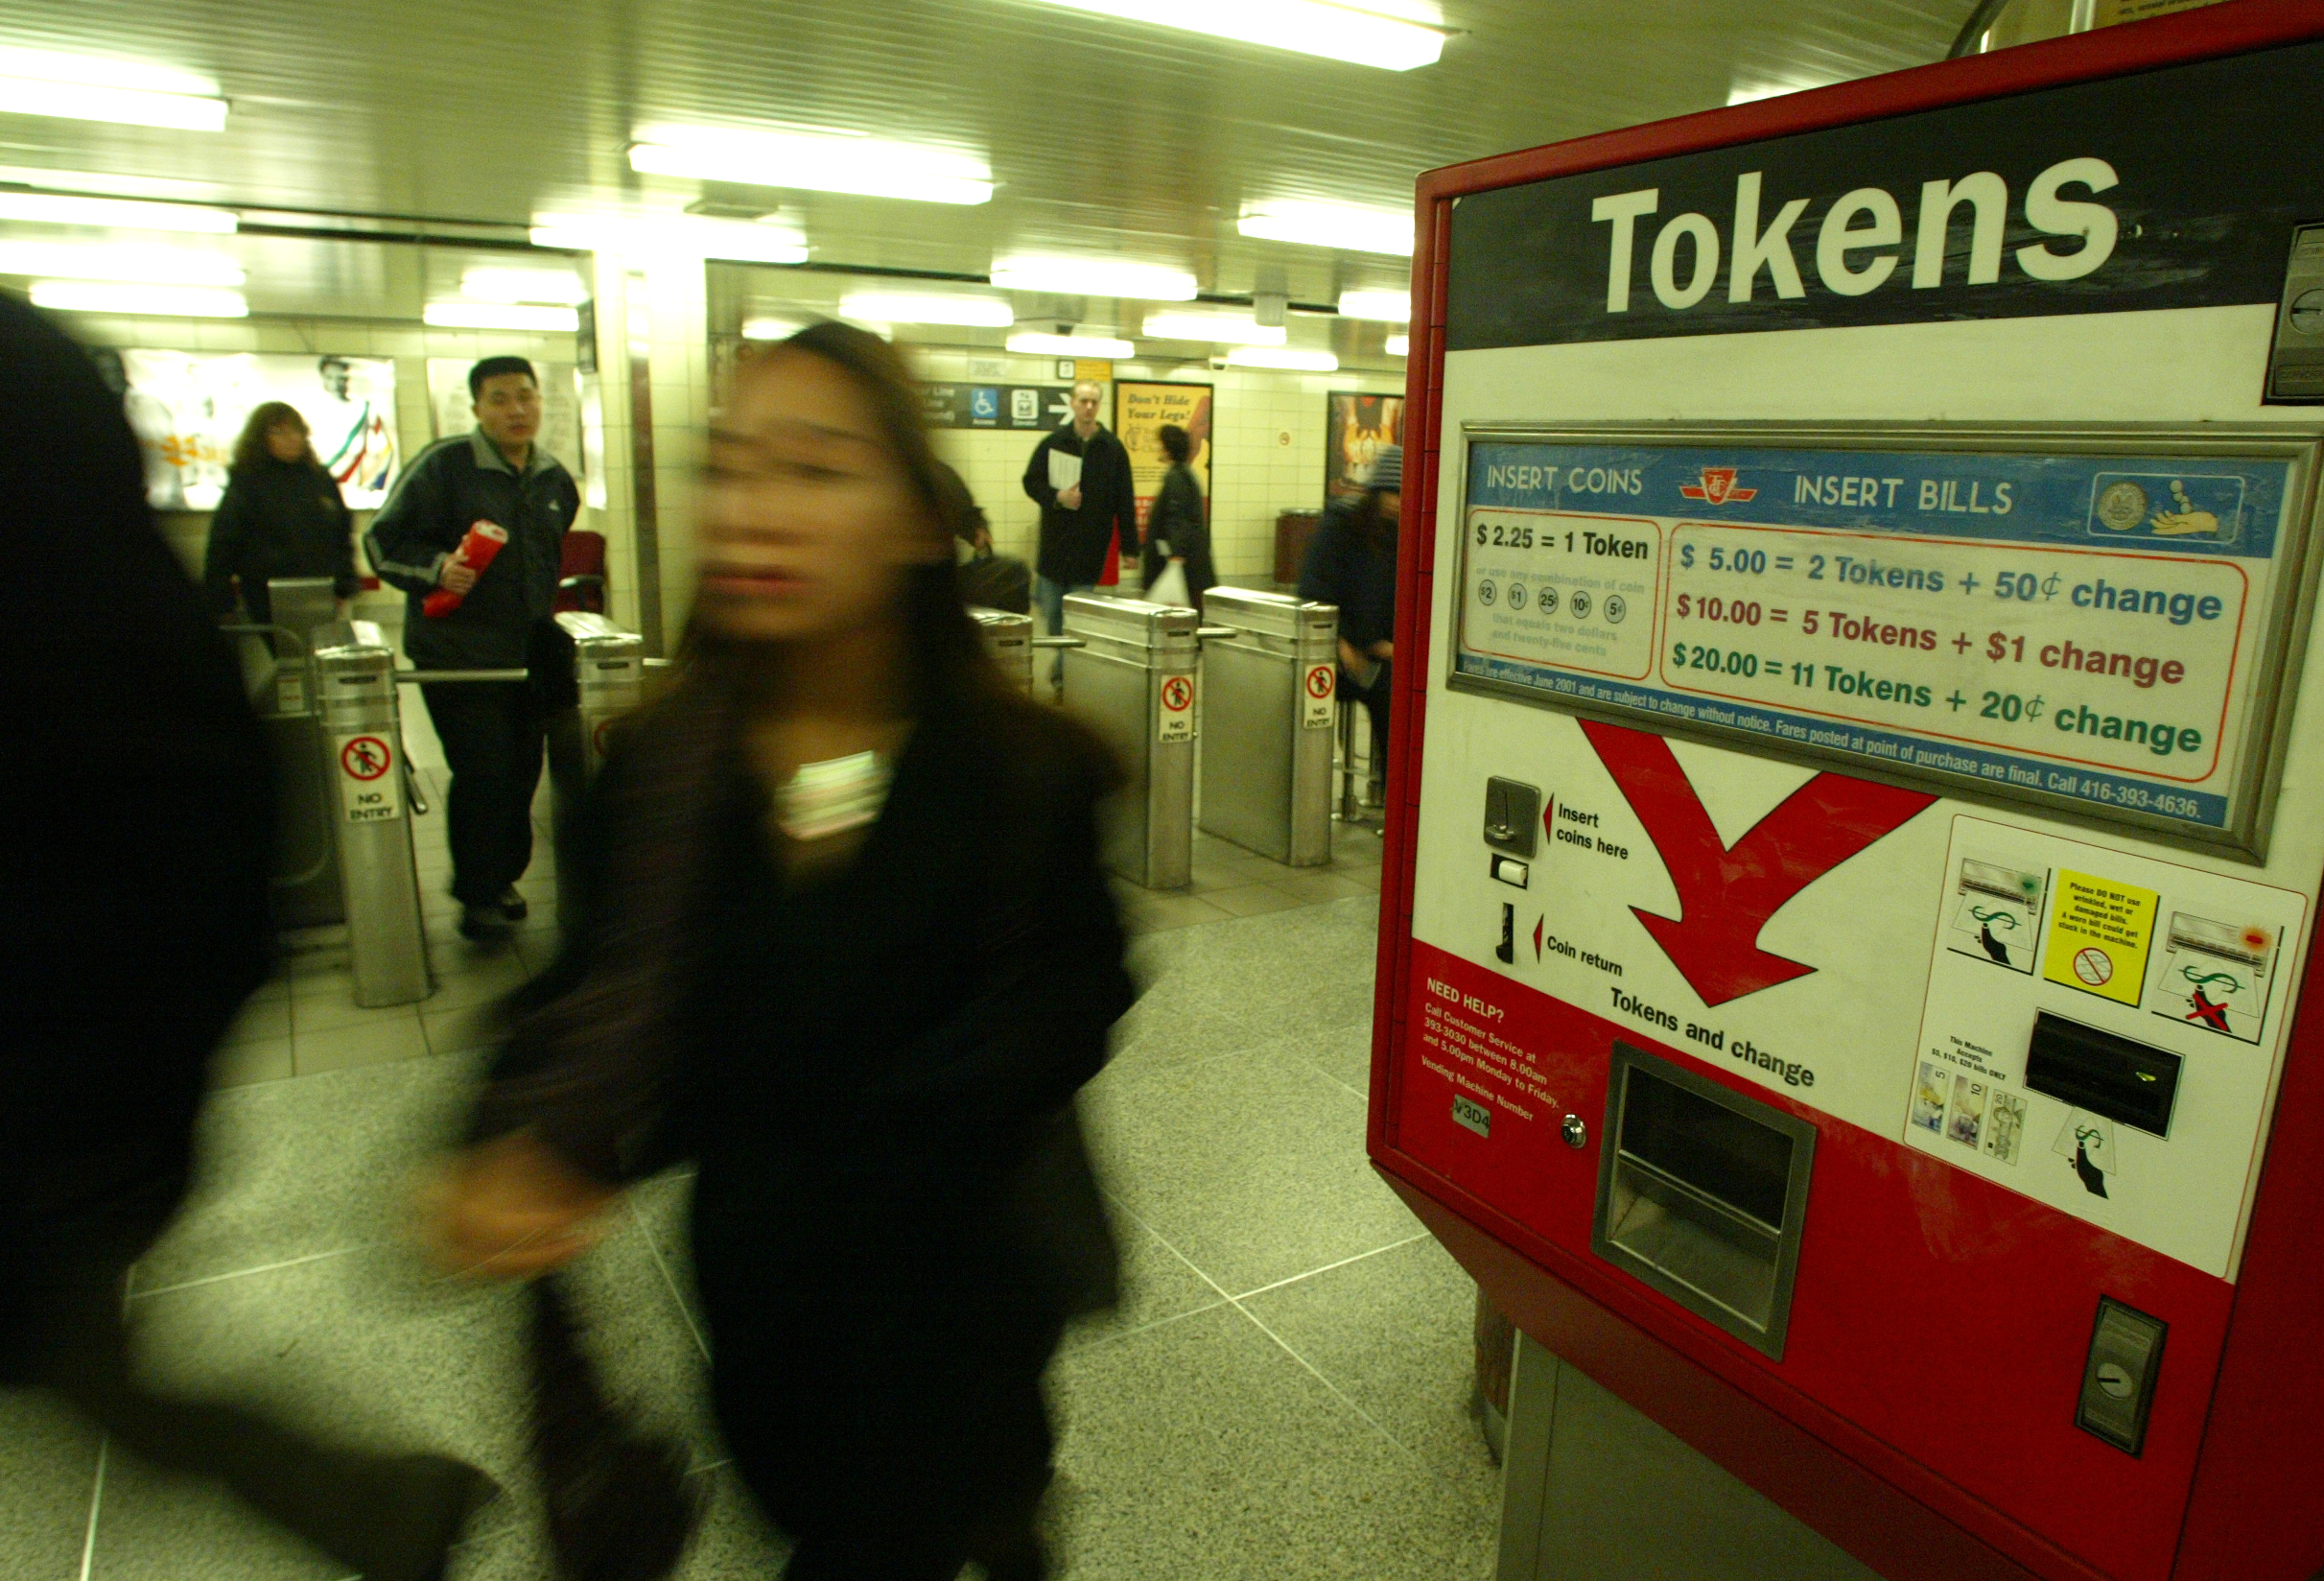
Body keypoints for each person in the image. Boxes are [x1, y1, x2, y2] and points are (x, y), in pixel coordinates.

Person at [428, 322, 1132, 1581]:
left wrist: (884, 1093)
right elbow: (592, 998)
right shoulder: (654, 775)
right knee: (830, 1512)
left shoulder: (1024, 772)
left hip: (959, 1298)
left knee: (910, 1527)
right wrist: (513, 1130)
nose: (755, 508)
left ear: (918, 520)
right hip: (767, 1303)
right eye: (731, 467)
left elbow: (1077, 995)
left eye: (814, 470)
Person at [1, 293, 494, 1581]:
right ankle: (376, 1511)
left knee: (80, 1360)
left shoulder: (66, 603)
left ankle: (376, 1510)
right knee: (82, 1360)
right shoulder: (123, 581)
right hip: (90, 1089)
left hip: (58, 1096)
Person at [366, 355, 580, 941]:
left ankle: (501, 878)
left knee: (520, 773)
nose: (516, 409)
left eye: (526, 396)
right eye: (499, 398)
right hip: (457, 656)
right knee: (482, 771)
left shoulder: (554, 477)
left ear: (541, 401)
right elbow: (382, 542)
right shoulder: (445, 467)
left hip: (528, 655)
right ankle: (478, 894)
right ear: (477, 407)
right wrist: (437, 568)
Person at [1300, 442, 1401, 809]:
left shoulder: (1407, 537)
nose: (1396, 502)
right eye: (1390, 493)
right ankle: (1311, 799)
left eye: (1404, 494)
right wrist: (1343, 641)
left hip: (1382, 655)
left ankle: (1394, 799)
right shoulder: (1342, 526)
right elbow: (1314, 591)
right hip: (1332, 653)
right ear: (1375, 493)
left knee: (1400, 709)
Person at [200, 401, 359, 629]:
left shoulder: (319, 479)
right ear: (261, 438)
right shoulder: (248, 482)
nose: (292, 438)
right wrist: (222, 604)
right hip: (267, 592)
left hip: (322, 588)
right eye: (279, 432)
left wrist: (344, 585)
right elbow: (222, 545)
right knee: (289, 656)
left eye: (297, 430)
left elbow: (342, 535)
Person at [1021, 379, 1136, 688]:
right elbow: (1031, 482)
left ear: (1099, 406)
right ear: (1071, 403)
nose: (1088, 407)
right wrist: (1057, 497)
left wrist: (1131, 548)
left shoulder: (1112, 449)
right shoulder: (1053, 443)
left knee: (1077, 620)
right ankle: (1065, 672)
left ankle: (1065, 678)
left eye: (1093, 402)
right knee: (1054, 616)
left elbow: (1125, 499)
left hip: (1089, 548)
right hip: (1055, 547)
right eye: (1083, 400)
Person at [1138, 422, 1214, 606]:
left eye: (1159, 443)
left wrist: (1176, 555)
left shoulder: (1176, 477)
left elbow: (1178, 518)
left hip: (1181, 563)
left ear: (1167, 449)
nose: (1157, 448)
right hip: (1191, 562)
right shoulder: (1185, 475)